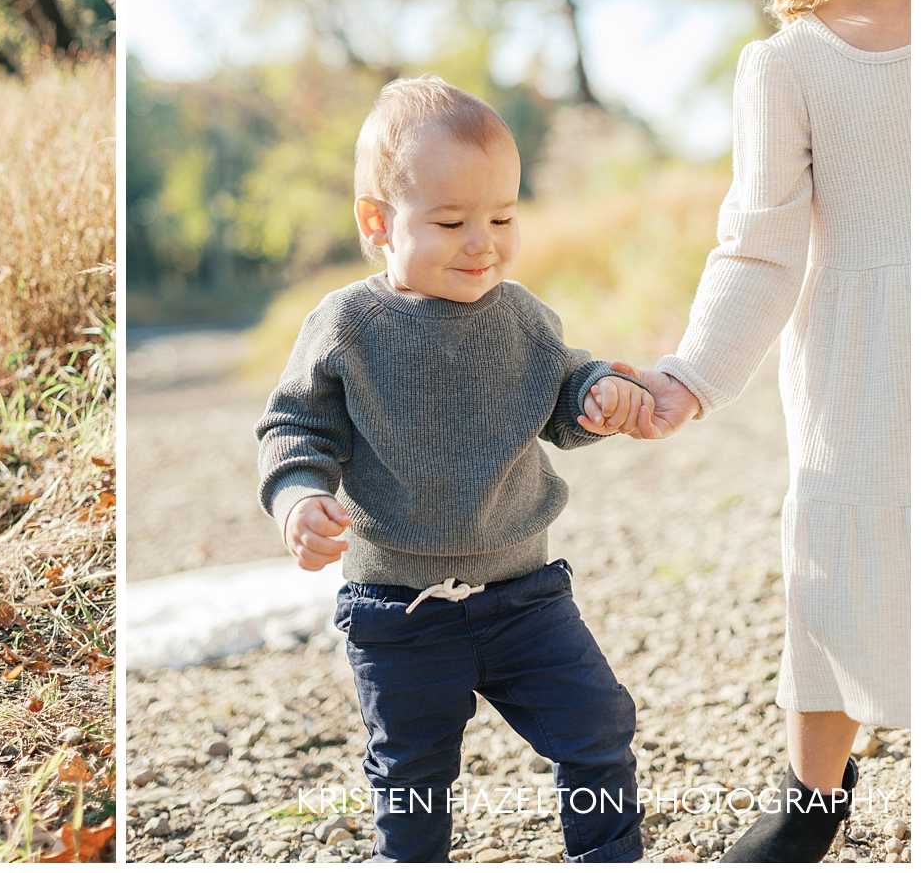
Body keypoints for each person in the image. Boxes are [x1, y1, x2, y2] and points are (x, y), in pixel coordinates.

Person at [615, 0, 910, 863]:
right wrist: (689, 374)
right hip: (863, 371)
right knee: (837, 562)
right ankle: (812, 797)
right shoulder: (786, 67)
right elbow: (759, 250)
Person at [256, 76, 654, 862]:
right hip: (397, 611)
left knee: (598, 724)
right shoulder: (348, 327)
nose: (484, 242)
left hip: (525, 598)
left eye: (503, 217)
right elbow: (295, 426)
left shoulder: (524, 319)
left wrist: (597, 396)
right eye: (450, 221)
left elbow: (563, 389)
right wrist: (298, 498)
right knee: (411, 774)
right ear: (378, 222)